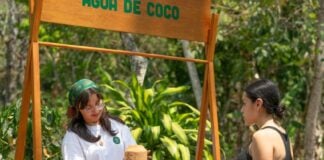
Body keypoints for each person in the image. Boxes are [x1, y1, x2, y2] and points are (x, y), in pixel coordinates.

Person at [62, 79, 136, 160]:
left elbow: (133, 152)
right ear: (77, 110)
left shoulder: (118, 126)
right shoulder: (72, 138)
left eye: (97, 104)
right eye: (88, 107)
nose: (96, 110)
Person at [239, 79, 293, 160]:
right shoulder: (283, 134)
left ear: (258, 104)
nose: (242, 110)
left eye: (244, 103)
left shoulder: (261, 137)